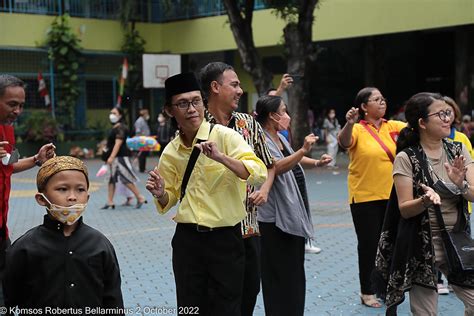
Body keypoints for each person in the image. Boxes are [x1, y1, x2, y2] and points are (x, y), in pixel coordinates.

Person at [145, 72, 267, 316]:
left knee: (227, 307)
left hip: (225, 240)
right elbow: (169, 199)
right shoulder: (171, 151)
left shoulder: (225, 137)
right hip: (187, 242)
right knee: (189, 307)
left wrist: (221, 158)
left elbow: (258, 172)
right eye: (183, 104)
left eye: (196, 101)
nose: (191, 109)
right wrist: (160, 194)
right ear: (170, 111)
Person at [374, 92, 474, 314]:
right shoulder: (407, 158)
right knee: (425, 313)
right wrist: (425, 200)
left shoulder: (458, 150)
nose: (447, 118)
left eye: (448, 113)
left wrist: (461, 185)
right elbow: (405, 209)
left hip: (457, 239)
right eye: (441, 114)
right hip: (421, 243)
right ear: (422, 123)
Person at [199, 62, 275, 316]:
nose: (240, 91)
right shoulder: (196, 128)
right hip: (212, 232)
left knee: (248, 293)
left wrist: (264, 189)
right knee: (216, 298)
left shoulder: (248, 124)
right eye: (234, 84)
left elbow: (269, 165)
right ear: (215, 87)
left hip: (248, 229)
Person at [4, 156, 124, 312]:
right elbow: (8, 300)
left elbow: (113, 300)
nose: (72, 197)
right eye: (62, 189)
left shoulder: (100, 245)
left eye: (80, 189)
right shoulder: (24, 248)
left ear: (87, 198)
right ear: (41, 199)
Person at [255, 95, 332, 316]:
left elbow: (291, 157)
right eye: (284, 111)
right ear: (272, 116)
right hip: (274, 220)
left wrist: (316, 161)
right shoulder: (260, 139)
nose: (288, 116)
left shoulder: (279, 137)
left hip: (292, 215)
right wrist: (303, 151)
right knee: (279, 275)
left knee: (294, 273)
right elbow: (275, 166)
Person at [337, 87, 406, 308]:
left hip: (394, 195)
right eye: (376, 99)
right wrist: (349, 123)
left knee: (392, 244)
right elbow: (345, 142)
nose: (382, 102)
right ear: (364, 107)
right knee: (369, 245)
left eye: (383, 98)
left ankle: (387, 286)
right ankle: (367, 291)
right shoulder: (357, 129)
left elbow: (416, 131)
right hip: (365, 197)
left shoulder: (394, 126)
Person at [0, 74, 56, 305]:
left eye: (21, 105)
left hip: (1, 230)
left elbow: (7, 166)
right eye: (12, 104)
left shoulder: (7, 130)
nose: (17, 111)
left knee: (12, 287)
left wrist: (36, 159)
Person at [102, 107, 147, 209]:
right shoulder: (116, 127)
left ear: (120, 115)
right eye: (111, 112)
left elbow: (118, 144)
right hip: (115, 157)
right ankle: (110, 201)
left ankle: (140, 197)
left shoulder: (121, 127)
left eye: (114, 113)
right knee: (111, 179)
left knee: (126, 178)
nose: (111, 115)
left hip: (120, 157)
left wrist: (111, 157)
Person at [134, 108, 151, 173]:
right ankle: (142, 168)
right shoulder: (139, 121)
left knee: (144, 154)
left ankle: (143, 168)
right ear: (144, 114)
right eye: (147, 113)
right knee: (142, 154)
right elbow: (138, 131)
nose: (148, 115)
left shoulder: (144, 120)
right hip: (142, 140)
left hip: (145, 139)